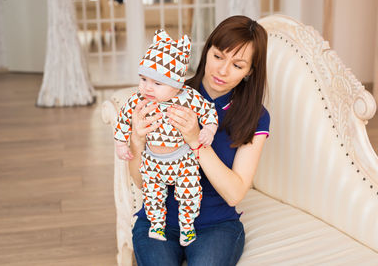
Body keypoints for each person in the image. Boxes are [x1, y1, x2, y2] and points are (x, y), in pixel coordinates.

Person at [129, 15, 270, 266]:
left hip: (217, 226)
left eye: (237, 65)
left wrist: (195, 140)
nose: (222, 71)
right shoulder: (166, 95)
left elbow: (234, 193)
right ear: (207, 52)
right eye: (218, 56)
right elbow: (141, 182)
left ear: (250, 72)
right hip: (158, 219)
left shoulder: (255, 117)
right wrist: (137, 142)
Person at [114, 29, 218, 246]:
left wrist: (208, 130)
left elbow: (209, 113)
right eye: (143, 79)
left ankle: (187, 227)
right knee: (153, 196)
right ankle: (157, 225)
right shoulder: (139, 100)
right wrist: (121, 142)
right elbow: (123, 120)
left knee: (189, 193)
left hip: (183, 159)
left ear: (177, 84)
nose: (147, 87)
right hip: (152, 159)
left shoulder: (189, 97)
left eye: (157, 83)